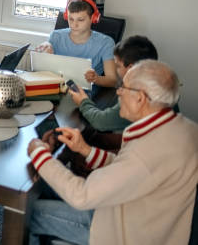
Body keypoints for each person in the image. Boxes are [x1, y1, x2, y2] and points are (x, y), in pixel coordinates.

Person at [27, 60, 198, 245]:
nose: (118, 92)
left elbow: (81, 196)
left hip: (121, 233)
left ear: (140, 98)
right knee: (47, 182)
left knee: (29, 211)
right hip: (141, 215)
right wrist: (85, 149)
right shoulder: (184, 128)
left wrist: (38, 152)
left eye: (123, 87)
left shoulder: (146, 154)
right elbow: (127, 169)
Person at [68, 35, 159, 132]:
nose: (116, 70)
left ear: (131, 68)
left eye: (118, 66)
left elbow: (100, 122)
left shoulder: (135, 95)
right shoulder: (161, 83)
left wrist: (83, 102)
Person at [37, 0, 116, 88]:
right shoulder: (55, 36)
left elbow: (112, 80)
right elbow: (44, 72)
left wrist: (96, 78)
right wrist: (43, 54)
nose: (74, 25)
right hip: (54, 88)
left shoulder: (106, 43)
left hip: (82, 95)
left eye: (80, 20)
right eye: (71, 19)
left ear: (93, 18)